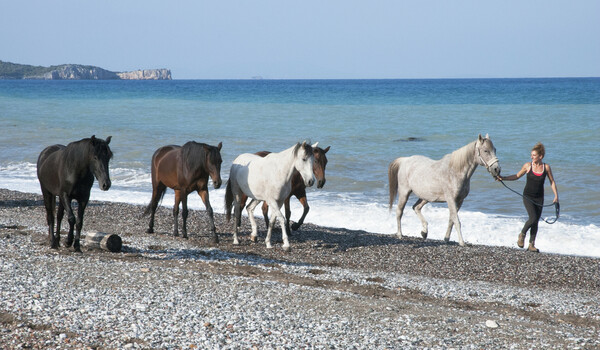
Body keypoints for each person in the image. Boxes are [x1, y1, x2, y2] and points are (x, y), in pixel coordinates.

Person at [497, 142, 558, 252]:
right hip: (528, 196)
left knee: (536, 221)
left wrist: (556, 196)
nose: (532, 157)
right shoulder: (528, 166)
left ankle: (531, 245)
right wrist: (503, 178)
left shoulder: (546, 168)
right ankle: (522, 234)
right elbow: (517, 176)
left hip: (540, 198)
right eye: (531, 155)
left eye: (534, 155)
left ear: (541, 156)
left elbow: (552, 182)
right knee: (533, 218)